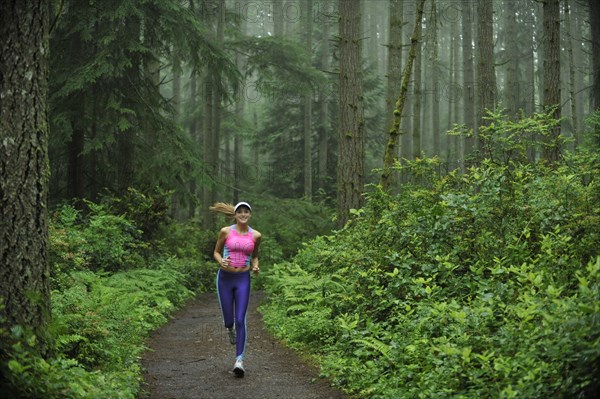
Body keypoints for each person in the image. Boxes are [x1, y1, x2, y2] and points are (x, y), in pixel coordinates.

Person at [210, 201, 261, 378]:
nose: (243, 214)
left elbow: (255, 257)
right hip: (224, 278)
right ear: (235, 214)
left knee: (241, 319)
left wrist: (255, 266)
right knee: (229, 320)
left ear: (250, 214)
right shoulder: (226, 231)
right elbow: (216, 252)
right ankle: (229, 328)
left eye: (246, 211)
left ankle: (239, 360)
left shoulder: (255, 235)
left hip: (242, 279)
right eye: (240, 211)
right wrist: (220, 260)